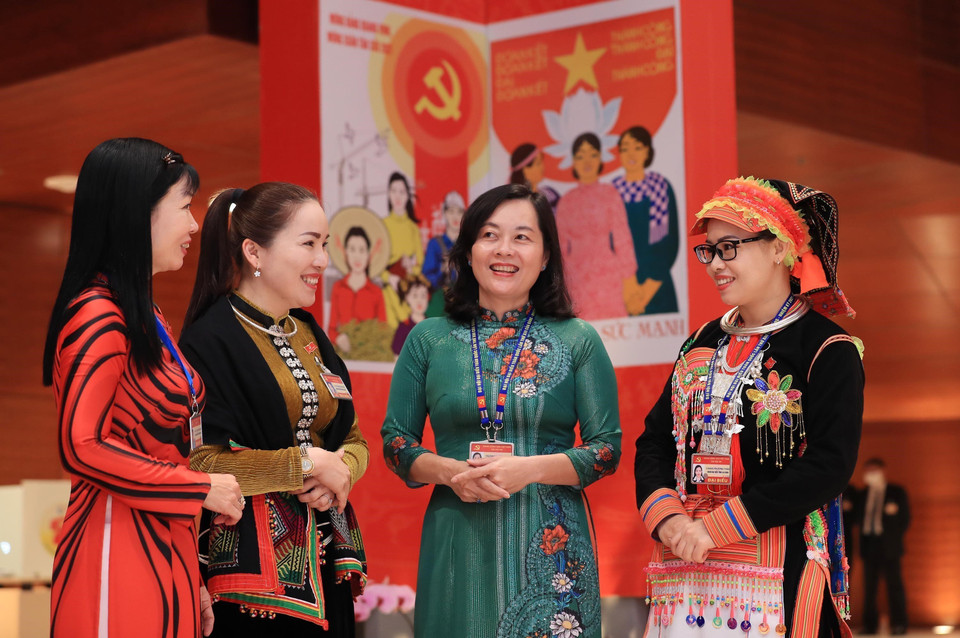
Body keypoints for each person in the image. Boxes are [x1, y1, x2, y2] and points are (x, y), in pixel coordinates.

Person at [381, 183, 622, 638]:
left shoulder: (578, 339)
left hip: (553, 549)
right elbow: (396, 444)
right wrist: (453, 473)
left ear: (546, 254)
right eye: (489, 235)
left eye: (522, 237)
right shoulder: (428, 339)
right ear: (468, 251)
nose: (504, 250)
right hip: (457, 543)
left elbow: (606, 451)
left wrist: (527, 470)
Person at [635, 177, 864, 637]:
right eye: (710, 250)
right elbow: (654, 441)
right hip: (687, 566)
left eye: (730, 247)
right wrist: (669, 520)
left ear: (780, 247)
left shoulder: (826, 348)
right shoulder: (701, 341)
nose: (715, 263)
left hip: (780, 569)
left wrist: (718, 527)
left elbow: (828, 466)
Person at [41, 138, 243, 638]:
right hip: (114, 549)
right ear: (138, 214)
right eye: (184, 207)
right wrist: (201, 488)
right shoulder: (98, 314)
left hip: (162, 548)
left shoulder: (141, 315)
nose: (195, 225)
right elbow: (80, 446)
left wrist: (191, 575)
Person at [180, 183, 368, 636]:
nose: (322, 260)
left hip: (329, 560)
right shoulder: (210, 339)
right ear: (254, 252)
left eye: (324, 245)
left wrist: (340, 473)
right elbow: (200, 462)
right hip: (252, 578)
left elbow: (355, 439)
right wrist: (307, 465)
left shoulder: (308, 333)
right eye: (308, 244)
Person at [555, 132, 643, 319]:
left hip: (609, 277)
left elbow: (622, 239)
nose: (587, 161)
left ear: (600, 159)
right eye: (581, 156)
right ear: (574, 162)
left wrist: (630, 283)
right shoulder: (566, 202)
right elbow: (560, 247)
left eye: (592, 155)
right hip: (575, 278)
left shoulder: (609, 194)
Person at [612, 126, 680, 314]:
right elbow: (608, 245)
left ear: (648, 152)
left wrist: (646, 292)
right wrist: (629, 289)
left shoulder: (662, 187)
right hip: (621, 292)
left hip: (658, 286)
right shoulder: (611, 192)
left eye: (637, 147)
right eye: (625, 148)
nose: (631, 154)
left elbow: (671, 244)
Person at [857, 458, 910, 635]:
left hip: (889, 546)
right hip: (869, 544)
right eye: (868, 470)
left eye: (874, 470)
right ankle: (870, 625)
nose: (871, 474)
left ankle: (899, 624)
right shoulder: (863, 494)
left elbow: (905, 520)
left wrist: (892, 538)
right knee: (869, 588)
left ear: (882, 470)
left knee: (895, 586)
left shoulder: (897, 492)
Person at [327, 225, 388, 356]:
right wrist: (338, 338)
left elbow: (383, 329)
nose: (357, 256)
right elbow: (331, 328)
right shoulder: (338, 287)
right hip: (342, 354)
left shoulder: (376, 292)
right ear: (346, 252)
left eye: (362, 250)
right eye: (352, 249)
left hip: (369, 355)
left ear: (368, 254)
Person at [509, 142, 560, 212]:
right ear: (524, 170)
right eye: (538, 163)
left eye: (541, 162)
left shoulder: (550, 194)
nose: (542, 167)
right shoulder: (514, 202)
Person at [390, 274, 430, 356]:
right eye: (415, 296)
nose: (419, 301)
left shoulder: (432, 326)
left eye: (423, 296)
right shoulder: (403, 327)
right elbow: (396, 356)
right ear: (407, 298)